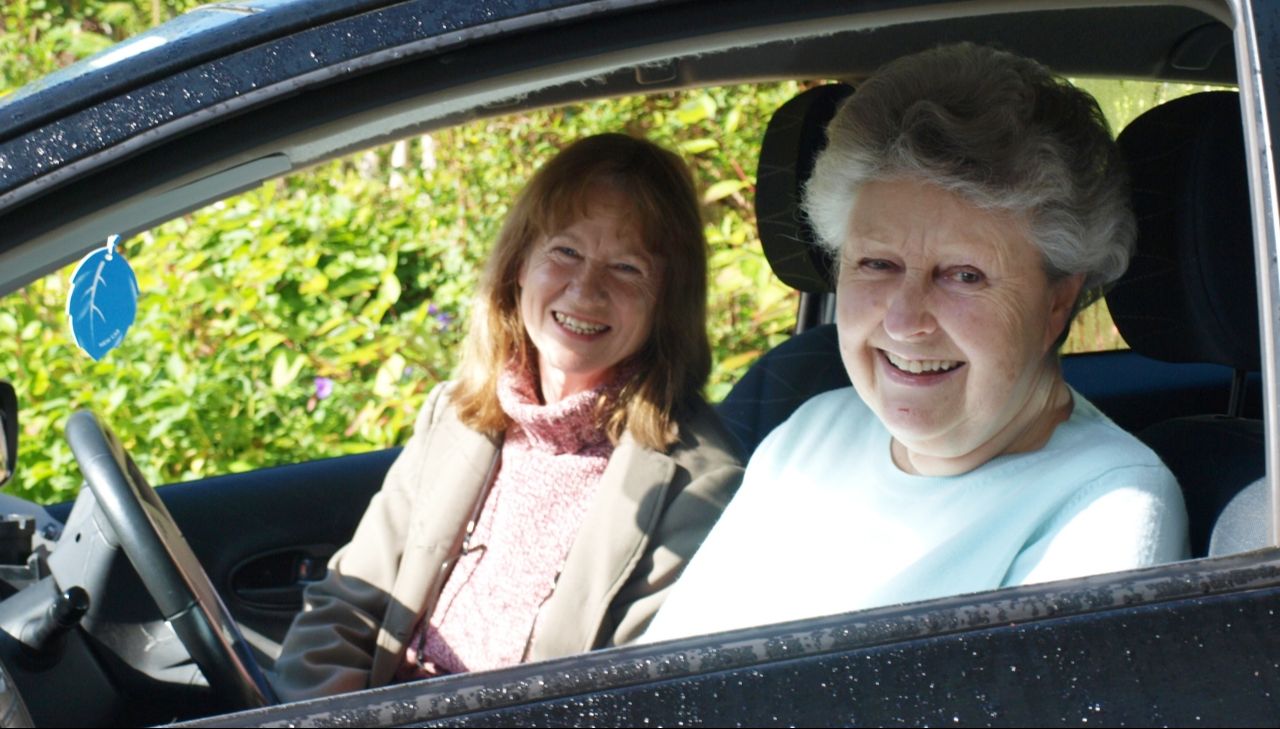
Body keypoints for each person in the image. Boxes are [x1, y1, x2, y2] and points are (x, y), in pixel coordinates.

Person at [643, 43, 1188, 642]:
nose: (905, 322)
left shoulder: (1108, 505)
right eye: (877, 263)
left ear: (1058, 300)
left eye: (964, 275)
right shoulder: (812, 433)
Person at [274, 133, 743, 699]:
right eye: (565, 252)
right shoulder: (456, 415)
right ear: (520, 265)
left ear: (666, 300)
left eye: (626, 267)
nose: (586, 290)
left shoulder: (698, 483)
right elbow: (346, 607)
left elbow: (628, 704)